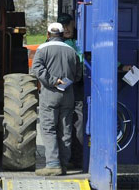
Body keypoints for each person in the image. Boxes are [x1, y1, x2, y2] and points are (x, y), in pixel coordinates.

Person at [32, 22, 82, 176]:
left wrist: (53, 80)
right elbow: (78, 75)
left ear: (48, 34)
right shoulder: (72, 51)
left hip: (50, 94)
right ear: (61, 34)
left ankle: (53, 164)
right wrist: (65, 81)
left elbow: (36, 69)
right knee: (65, 130)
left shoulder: (42, 49)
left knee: (48, 128)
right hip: (68, 95)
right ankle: (63, 165)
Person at [57, 13, 84, 167]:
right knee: (62, 123)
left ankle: (77, 159)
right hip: (62, 88)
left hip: (77, 86)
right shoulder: (55, 44)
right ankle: (61, 160)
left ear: (74, 23)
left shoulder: (81, 40)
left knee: (79, 123)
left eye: (68, 24)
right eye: (62, 25)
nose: (66, 28)